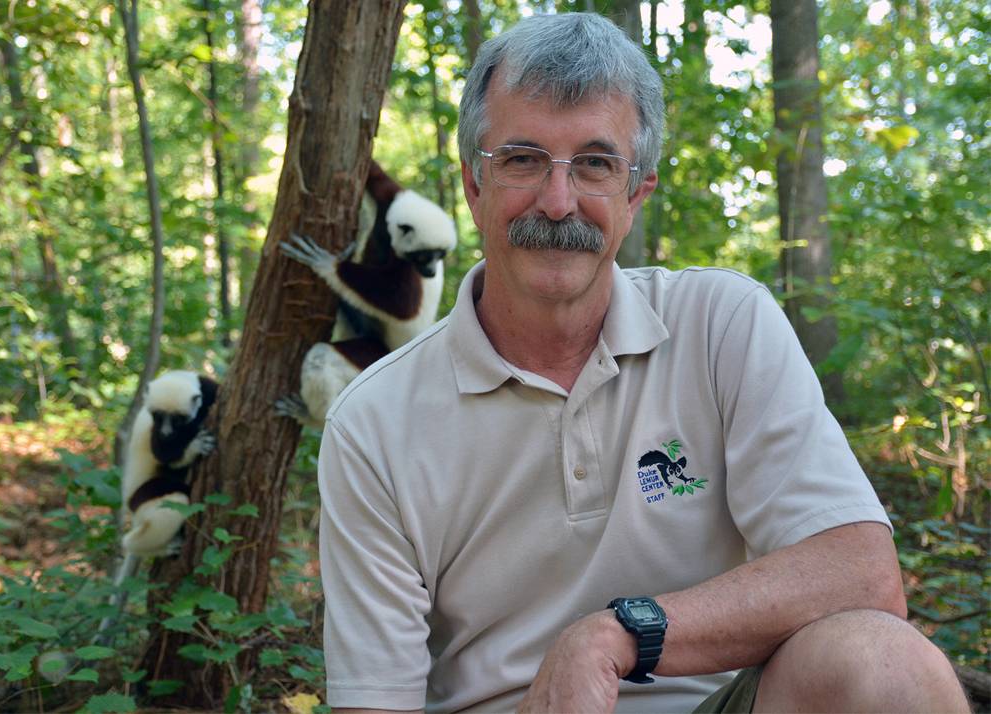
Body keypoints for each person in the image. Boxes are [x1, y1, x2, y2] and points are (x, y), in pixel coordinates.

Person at [315, 12, 969, 714]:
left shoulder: (723, 324)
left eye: (596, 164)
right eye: (523, 159)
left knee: (885, 665)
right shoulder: (376, 421)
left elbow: (861, 575)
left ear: (637, 193)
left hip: (721, 704)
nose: (558, 201)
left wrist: (615, 635)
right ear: (475, 186)